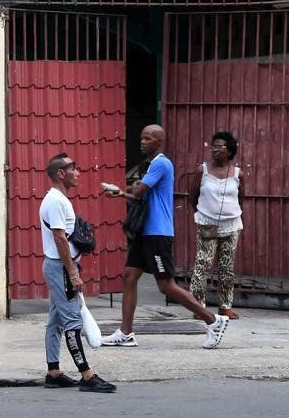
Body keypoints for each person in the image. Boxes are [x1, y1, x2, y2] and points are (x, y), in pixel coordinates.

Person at [101, 125, 229, 349]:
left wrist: (122, 191)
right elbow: (139, 192)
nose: (142, 142)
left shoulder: (161, 163)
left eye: (148, 138)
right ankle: (125, 333)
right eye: (141, 138)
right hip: (145, 232)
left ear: (159, 142)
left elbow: (138, 192)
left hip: (157, 233)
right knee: (129, 276)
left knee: (166, 285)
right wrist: (124, 191)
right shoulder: (151, 165)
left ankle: (212, 320)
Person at [39, 153, 116, 393]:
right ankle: (87, 375)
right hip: (61, 268)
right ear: (61, 173)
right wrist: (72, 273)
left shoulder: (58, 199)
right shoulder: (56, 201)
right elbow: (60, 238)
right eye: (74, 169)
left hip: (59, 267)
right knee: (72, 321)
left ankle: (53, 373)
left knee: (55, 321)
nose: (78, 173)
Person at [188, 131, 245, 320]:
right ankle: (198, 307)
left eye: (220, 146)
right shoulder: (202, 171)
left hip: (231, 225)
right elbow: (192, 196)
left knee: (226, 267)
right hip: (208, 223)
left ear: (230, 151)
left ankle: (225, 306)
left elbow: (241, 198)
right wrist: (202, 213)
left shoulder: (237, 173)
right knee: (203, 263)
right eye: (213, 146)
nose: (215, 150)